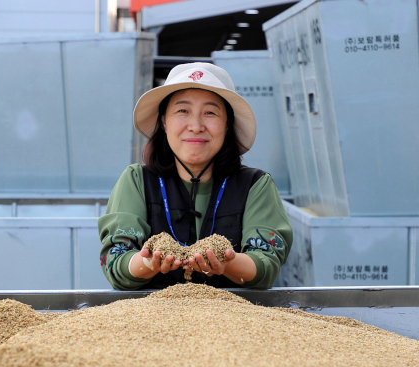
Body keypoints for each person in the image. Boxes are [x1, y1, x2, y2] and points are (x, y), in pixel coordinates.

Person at [98, 62, 293, 290]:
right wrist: (147, 262)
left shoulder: (255, 185)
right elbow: (115, 259)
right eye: (183, 111)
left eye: (210, 113)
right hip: (150, 321)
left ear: (228, 124)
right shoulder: (137, 181)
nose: (196, 126)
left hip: (234, 321)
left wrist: (228, 262)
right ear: (163, 121)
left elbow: (266, 263)